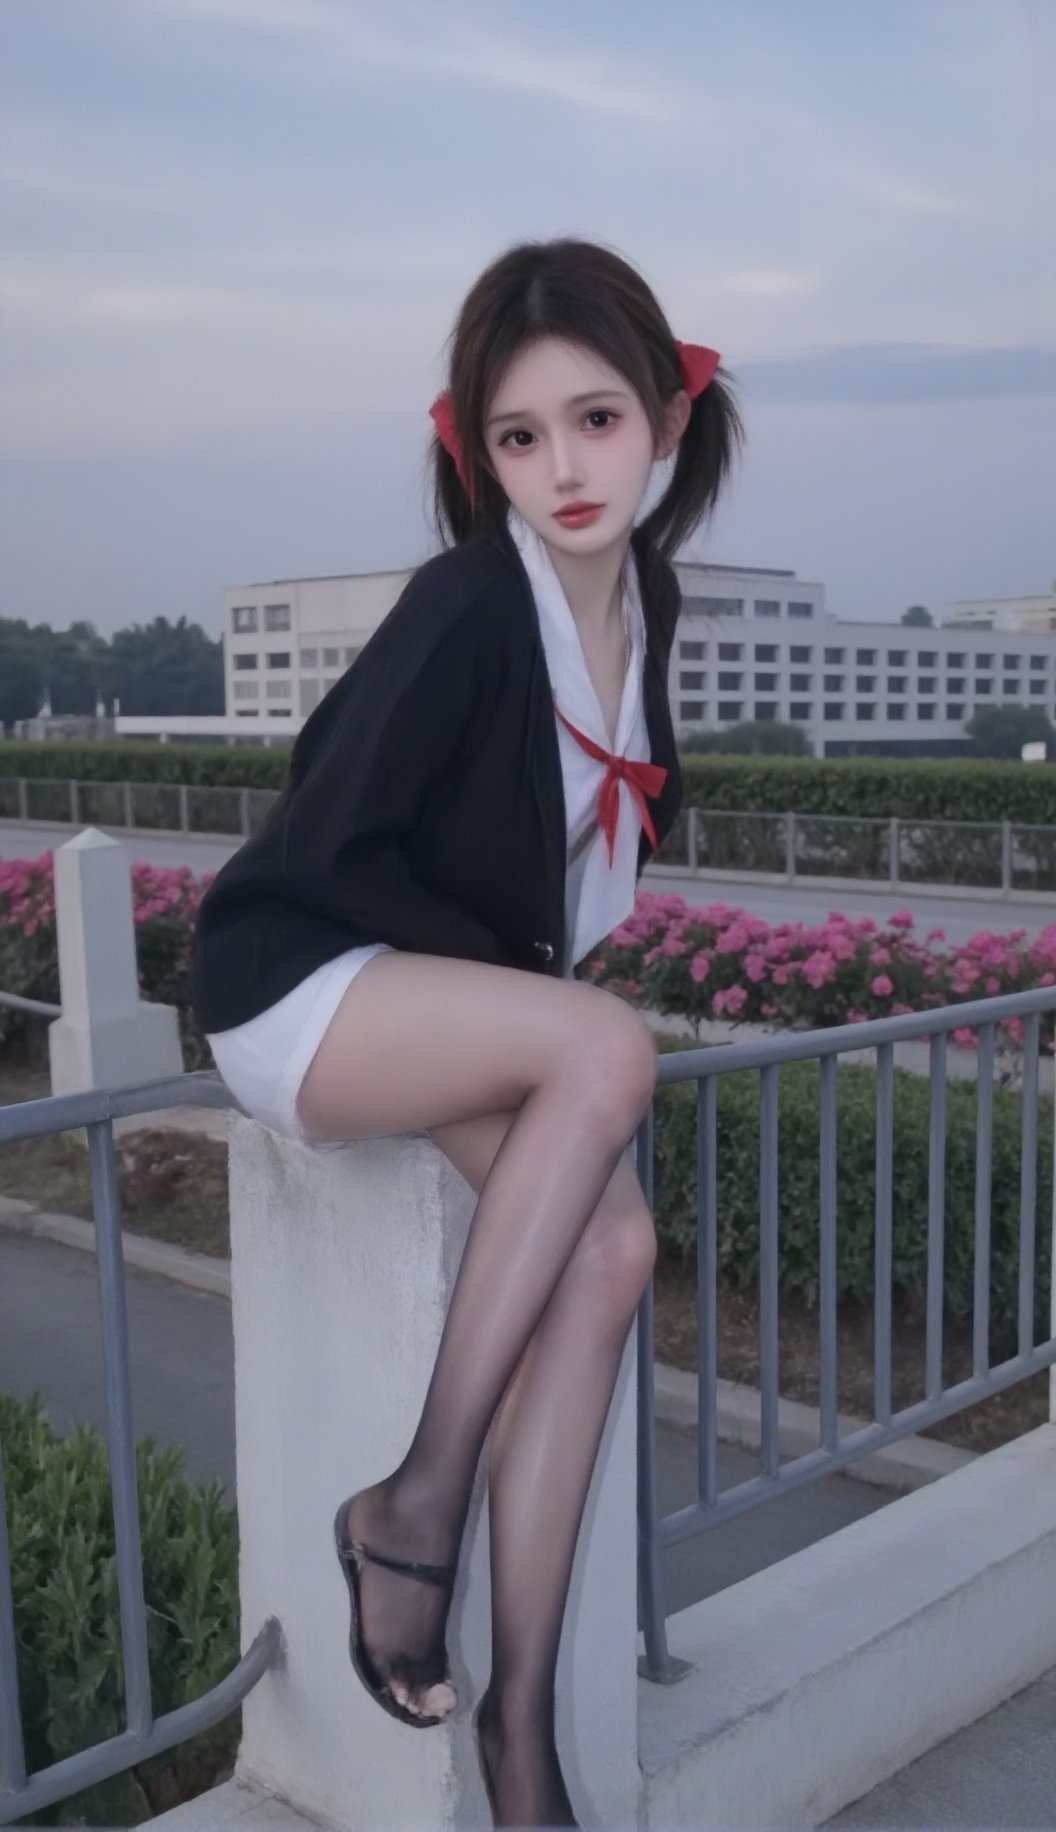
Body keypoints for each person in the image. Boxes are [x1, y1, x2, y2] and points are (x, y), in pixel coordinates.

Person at [189, 234, 743, 1828]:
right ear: (475, 452)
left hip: (439, 1004)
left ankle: (516, 1730)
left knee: (614, 1247)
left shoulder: (645, 599)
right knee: (608, 1047)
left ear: (666, 417)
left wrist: (534, 991)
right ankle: (410, 1511)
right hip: (301, 983)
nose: (563, 468)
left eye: (595, 420)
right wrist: (541, 998)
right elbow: (328, 846)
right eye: (518, 437)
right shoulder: (466, 606)